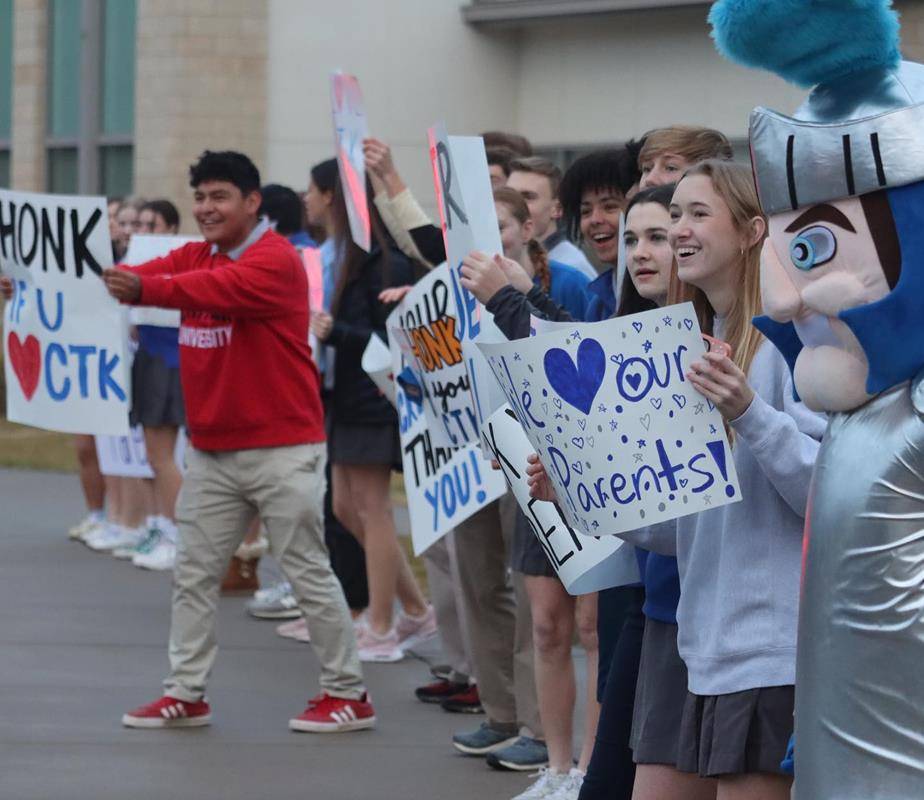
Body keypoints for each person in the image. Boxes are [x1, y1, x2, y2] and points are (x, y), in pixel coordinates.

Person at [98, 150, 374, 732]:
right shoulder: (200, 253)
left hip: (283, 448)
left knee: (306, 571)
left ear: (253, 202)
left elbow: (198, 289)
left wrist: (141, 287)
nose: (205, 208)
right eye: (199, 197)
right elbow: (146, 275)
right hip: (213, 452)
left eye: (219, 196)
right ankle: (186, 693)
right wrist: (86, 280)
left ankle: (348, 694)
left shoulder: (275, 260)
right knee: (193, 573)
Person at [310, 175, 435, 663]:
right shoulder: (348, 260)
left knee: (373, 510)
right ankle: (414, 608)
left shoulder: (387, 264)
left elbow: (391, 342)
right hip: (346, 398)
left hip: (372, 400)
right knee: (345, 507)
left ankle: (381, 625)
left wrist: (334, 332)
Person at [507, 157, 597, 280]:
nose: (515, 205)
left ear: (557, 209)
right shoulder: (507, 263)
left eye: (528, 197)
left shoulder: (573, 271)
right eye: (509, 195)